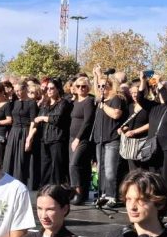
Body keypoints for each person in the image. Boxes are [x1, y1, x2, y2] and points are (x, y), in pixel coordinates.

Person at [91, 77, 126, 207]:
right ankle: (103, 194)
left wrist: (103, 105)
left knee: (110, 170)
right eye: (99, 86)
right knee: (101, 170)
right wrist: (97, 75)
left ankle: (112, 196)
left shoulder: (116, 99)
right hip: (99, 139)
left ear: (112, 86)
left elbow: (116, 114)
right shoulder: (101, 100)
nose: (100, 88)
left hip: (112, 139)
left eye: (104, 86)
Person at [35, 78, 70, 187]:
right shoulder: (45, 103)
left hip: (57, 138)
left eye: (52, 88)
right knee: (45, 167)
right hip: (45, 138)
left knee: (57, 167)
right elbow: (38, 119)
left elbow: (57, 119)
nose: (49, 91)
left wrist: (43, 118)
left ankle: (57, 190)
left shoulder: (63, 103)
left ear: (58, 89)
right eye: (47, 89)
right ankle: (45, 189)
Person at [68, 76, 96, 205]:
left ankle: (78, 193)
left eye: (83, 86)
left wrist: (78, 138)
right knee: (82, 166)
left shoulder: (88, 101)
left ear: (88, 87)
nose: (81, 89)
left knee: (74, 165)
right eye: (78, 86)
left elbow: (87, 122)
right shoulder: (74, 102)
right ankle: (83, 193)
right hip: (72, 138)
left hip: (82, 139)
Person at [5, 82, 36, 187]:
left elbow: (33, 121)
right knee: (10, 158)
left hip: (25, 132)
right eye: (16, 90)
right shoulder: (14, 102)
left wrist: (29, 138)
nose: (17, 93)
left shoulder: (31, 103)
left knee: (22, 159)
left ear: (25, 90)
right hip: (14, 132)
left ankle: (23, 184)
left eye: (19, 90)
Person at [119, 83, 152, 174]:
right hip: (130, 145)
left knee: (143, 171)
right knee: (133, 171)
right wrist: (123, 129)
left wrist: (135, 131)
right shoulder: (129, 105)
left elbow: (151, 123)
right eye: (132, 92)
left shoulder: (149, 105)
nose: (134, 95)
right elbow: (127, 122)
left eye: (136, 92)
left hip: (143, 142)